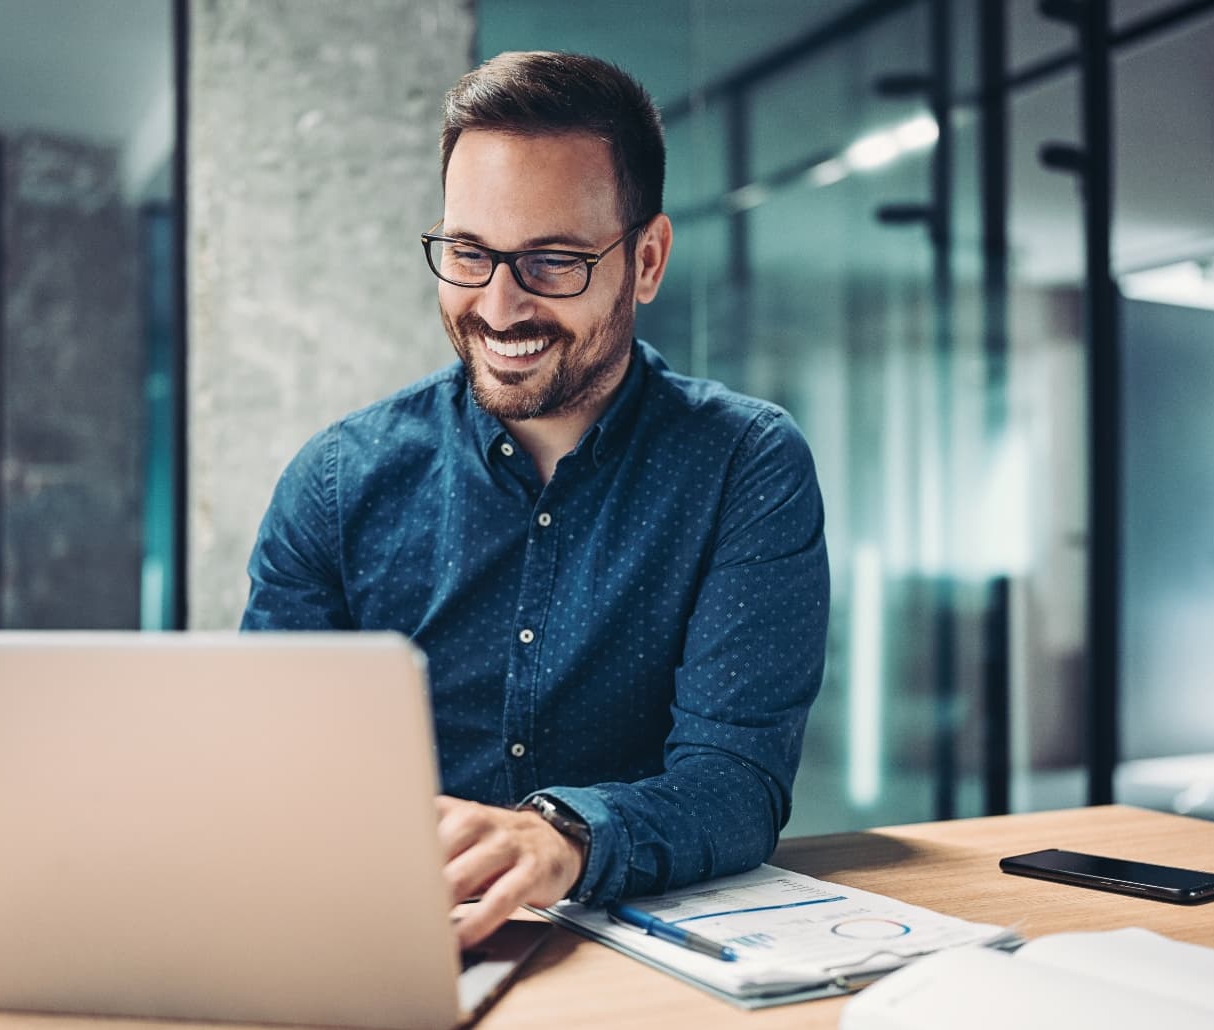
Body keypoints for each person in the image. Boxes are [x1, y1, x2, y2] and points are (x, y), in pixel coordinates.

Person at [242, 51, 830, 947]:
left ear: (647, 259)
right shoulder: (335, 481)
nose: (500, 305)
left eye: (552, 260)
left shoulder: (743, 465)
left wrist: (560, 837)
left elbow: (735, 782)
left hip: (635, 959)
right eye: (469, 253)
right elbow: (270, 768)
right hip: (387, 945)